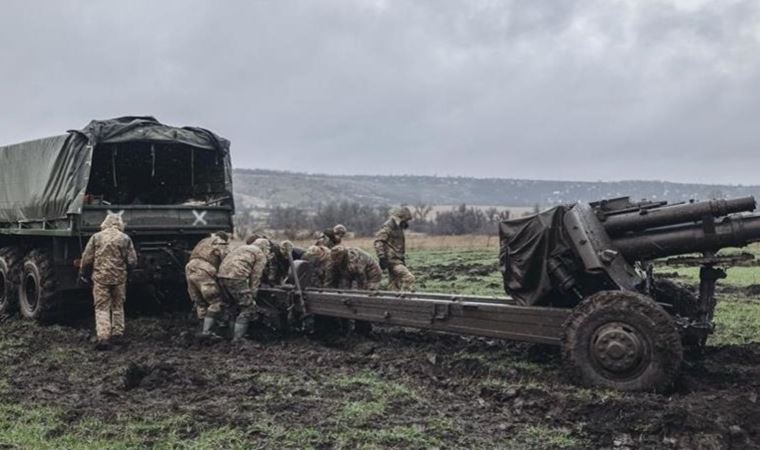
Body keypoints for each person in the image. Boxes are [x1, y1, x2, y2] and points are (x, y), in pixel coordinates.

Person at [78, 213, 137, 350]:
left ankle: (104, 337)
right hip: (119, 278)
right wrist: (129, 272)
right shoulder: (125, 238)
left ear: (104, 223)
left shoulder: (96, 237)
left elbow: (86, 259)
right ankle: (118, 334)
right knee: (118, 305)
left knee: (101, 307)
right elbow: (132, 261)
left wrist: (83, 273)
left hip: (100, 278)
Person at [213, 237, 270, 341]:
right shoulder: (260, 254)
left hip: (221, 277)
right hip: (237, 278)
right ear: (265, 247)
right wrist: (253, 292)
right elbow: (256, 276)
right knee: (248, 308)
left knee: (231, 306)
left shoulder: (241, 247)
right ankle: (239, 338)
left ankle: (229, 334)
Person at [185, 231, 229, 326]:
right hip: (204, 270)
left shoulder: (203, 241)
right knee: (216, 301)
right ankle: (208, 330)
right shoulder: (220, 242)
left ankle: (201, 325)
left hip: (190, 268)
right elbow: (225, 260)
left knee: (200, 302)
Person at [374, 206, 415, 291]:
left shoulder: (398, 228)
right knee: (409, 277)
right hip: (392, 260)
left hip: (398, 259)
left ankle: (393, 300)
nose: (406, 222)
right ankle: (405, 298)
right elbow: (379, 242)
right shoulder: (388, 227)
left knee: (394, 285)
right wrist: (382, 257)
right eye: (405, 220)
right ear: (400, 218)